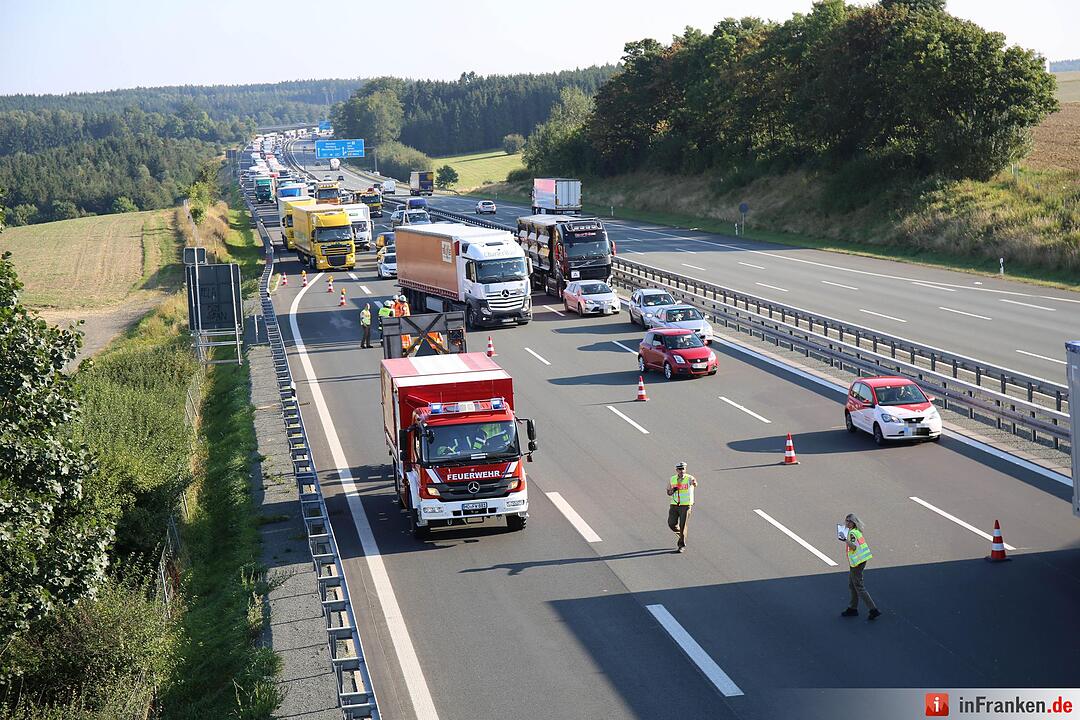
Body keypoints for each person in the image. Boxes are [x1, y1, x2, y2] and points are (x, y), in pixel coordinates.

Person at [839, 513, 880, 620]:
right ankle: (852, 608)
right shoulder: (856, 532)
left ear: (853, 523)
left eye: (848, 521)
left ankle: (873, 610)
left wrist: (844, 539)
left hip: (857, 562)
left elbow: (853, 547)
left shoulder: (852, 533)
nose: (846, 523)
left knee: (859, 586)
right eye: (846, 521)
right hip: (860, 561)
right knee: (852, 585)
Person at [666, 462, 696, 553]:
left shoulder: (689, 478)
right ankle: (681, 534)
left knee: (683, 526)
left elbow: (694, 483)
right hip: (674, 505)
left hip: (685, 506)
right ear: (677, 470)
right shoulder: (672, 479)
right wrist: (672, 490)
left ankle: (681, 545)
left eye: (683, 469)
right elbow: (668, 492)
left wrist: (694, 482)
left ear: (685, 469)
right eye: (680, 469)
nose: (682, 471)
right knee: (671, 523)